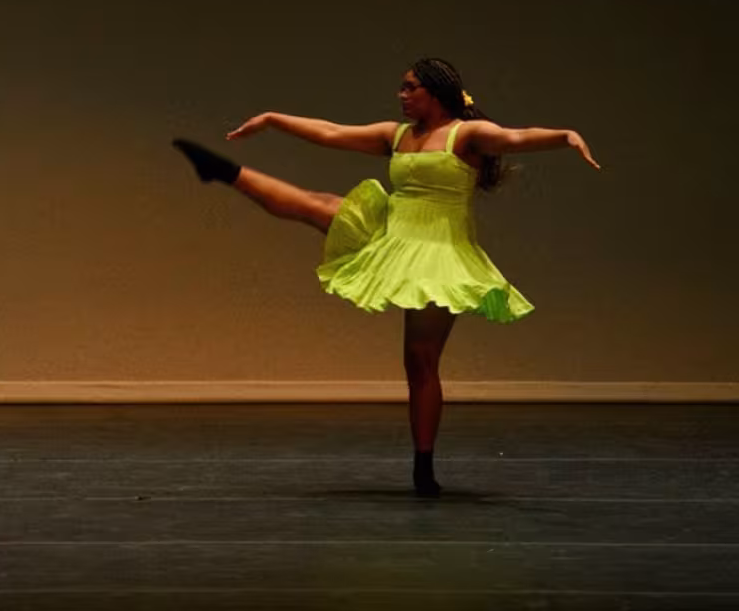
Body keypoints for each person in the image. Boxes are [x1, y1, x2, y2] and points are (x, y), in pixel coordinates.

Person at [172, 57, 599, 496]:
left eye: (410, 88)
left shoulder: (464, 135)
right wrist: (274, 119)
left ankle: (423, 467)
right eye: (402, 87)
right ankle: (224, 172)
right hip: (391, 232)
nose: (402, 95)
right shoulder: (394, 136)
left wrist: (565, 136)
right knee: (315, 204)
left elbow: (514, 137)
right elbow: (331, 132)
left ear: (434, 92)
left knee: (420, 360)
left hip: (439, 253)